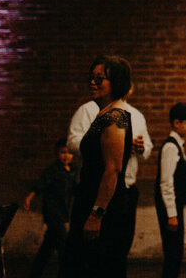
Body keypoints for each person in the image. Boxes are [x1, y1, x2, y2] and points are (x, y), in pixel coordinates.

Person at [67, 74, 152, 274]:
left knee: (118, 251)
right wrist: (108, 146)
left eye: (100, 78)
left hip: (126, 190)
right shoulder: (87, 110)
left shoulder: (135, 115)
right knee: (87, 255)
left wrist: (140, 148)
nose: (93, 83)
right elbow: (72, 142)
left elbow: (147, 148)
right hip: (95, 190)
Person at [60, 56, 136, 278]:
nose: (92, 83)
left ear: (117, 82)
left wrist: (96, 215)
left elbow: (112, 170)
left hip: (102, 206)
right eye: (91, 78)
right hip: (91, 198)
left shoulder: (115, 117)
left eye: (100, 79)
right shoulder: (107, 113)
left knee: (95, 266)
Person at [156, 102, 186, 278]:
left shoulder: (179, 146)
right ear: (176, 123)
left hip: (175, 205)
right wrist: (172, 214)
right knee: (173, 254)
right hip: (169, 208)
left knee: (177, 253)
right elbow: (166, 183)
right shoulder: (170, 147)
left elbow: (180, 180)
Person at [25, 138, 78, 278]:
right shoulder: (52, 170)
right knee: (63, 243)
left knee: (48, 245)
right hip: (53, 212)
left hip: (63, 211)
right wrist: (29, 198)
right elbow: (40, 185)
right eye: (62, 152)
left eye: (69, 153)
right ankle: (65, 273)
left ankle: (35, 272)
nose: (66, 156)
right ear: (57, 154)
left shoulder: (72, 171)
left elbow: (75, 190)